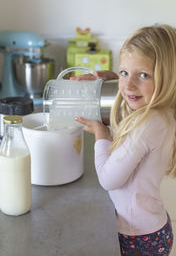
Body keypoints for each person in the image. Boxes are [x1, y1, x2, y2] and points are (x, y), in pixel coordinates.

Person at [74, 24, 176, 255]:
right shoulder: (161, 112)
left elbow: (109, 180)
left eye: (143, 75)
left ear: (167, 78)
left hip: (139, 237)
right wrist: (115, 83)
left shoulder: (149, 124)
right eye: (124, 72)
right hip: (149, 228)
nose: (129, 85)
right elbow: (130, 109)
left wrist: (101, 135)